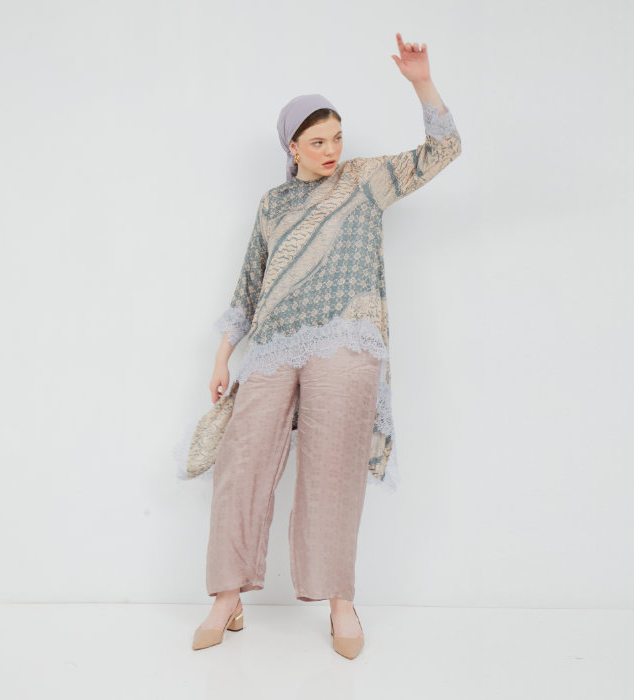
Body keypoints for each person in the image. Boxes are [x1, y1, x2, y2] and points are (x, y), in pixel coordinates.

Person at [189, 32, 462, 658]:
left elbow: (443, 149)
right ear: (291, 147)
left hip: (345, 339)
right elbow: (250, 283)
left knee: (332, 469)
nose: (332, 150)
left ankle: (341, 601)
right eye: (317, 142)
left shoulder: (366, 181)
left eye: (337, 137)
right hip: (275, 345)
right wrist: (223, 354)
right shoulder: (273, 204)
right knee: (241, 463)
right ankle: (227, 597)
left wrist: (421, 81)